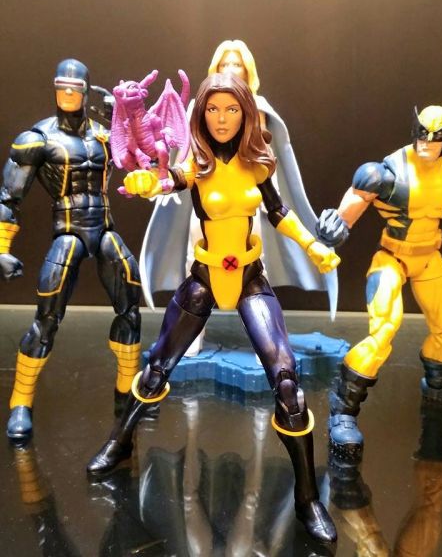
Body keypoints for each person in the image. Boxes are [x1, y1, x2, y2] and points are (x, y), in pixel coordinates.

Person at [87, 73, 339, 543]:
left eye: (232, 109)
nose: (222, 119)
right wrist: (147, 182)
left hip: (249, 279)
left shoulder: (257, 164)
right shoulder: (196, 165)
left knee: (287, 384)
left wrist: (313, 246)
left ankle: (307, 499)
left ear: (246, 113)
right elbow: (169, 180)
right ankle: (119, 442)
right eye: (213, 109)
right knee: (157, 369)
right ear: (201, 114)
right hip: (204, 280)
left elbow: (278, 212)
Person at [139, 40, 338, 340]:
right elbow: (182, 164)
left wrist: (310, 244)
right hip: (208, 195)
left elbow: (265, 155)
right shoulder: (200, 105)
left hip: (246, 196)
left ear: (248, 70)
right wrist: (156, 181)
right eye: (225, 64)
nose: (222, 119)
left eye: (237, 64)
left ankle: (260, 334)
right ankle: (193, 335)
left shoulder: (256, 108)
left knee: (255, 267)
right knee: (196, 265)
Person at [0, 58, 142, 442]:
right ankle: (20, 402)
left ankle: (126, 392)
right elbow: (9, 197)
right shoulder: (38, 139)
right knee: (47, 316)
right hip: (68, 230)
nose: (66, 94)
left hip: (105, 226)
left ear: (85, 91)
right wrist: (2, 247)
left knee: (130, 302)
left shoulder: (105, 135)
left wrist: (125, 117)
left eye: (74, 88)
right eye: (61, 87)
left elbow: (141, 156)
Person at [317, 105, 442, 458]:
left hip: (429, 257)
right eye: (422, 134)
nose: (426, 143)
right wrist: (334, 228)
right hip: (392, 257)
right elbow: (349, 210)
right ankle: (343, 411)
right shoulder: (386, 173)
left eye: (435, 137)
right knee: (384, 330)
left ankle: (438, 387)